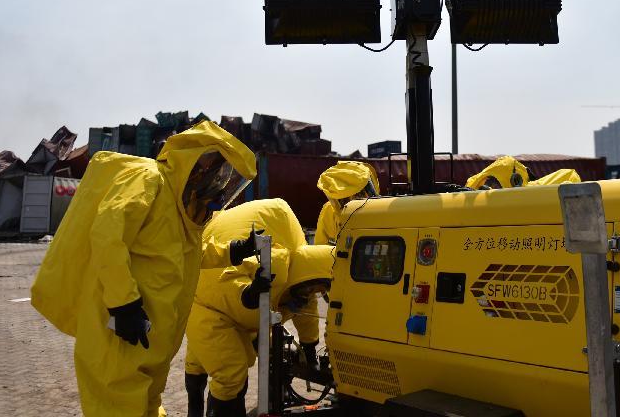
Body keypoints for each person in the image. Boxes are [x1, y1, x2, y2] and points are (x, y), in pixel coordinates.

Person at [31, 121, 261, 417]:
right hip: (120, 336)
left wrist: (234, 251)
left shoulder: (181, 209)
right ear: (197, 162)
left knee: (148, 405)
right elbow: (108, 235)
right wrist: (123, 303)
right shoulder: (148, 179)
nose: (219, 183)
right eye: (218, 172)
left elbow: (185, 255)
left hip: (150, 342)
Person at [183, 199, 317, 416]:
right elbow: (223, 282)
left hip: (216, 282)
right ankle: (198, 408)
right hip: (208, 300)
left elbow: (307, 308)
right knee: (230, 374)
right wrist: (247, 293)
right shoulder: (280, 261)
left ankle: (195, 409)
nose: (310, 294)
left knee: (204, 358)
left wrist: (310, 345)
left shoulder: (301, 266)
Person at [314, 161, 379, 245]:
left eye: (359, 194)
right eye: (344, 199)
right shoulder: (329, 209)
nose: (352, 201)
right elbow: (320, 247)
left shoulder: (379, 211)